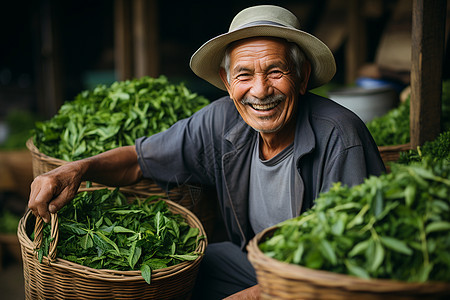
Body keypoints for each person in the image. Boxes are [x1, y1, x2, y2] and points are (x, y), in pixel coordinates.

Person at [28, 5, 385, 300]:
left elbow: (346, 259)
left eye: (276, 71)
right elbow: (138, 160)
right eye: (244, 75)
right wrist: (75, 170)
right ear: (228, 82)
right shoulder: (223, 119)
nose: (260, 91)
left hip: (319, 279)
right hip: (254, 262)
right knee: (183, 270)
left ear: (303, 77)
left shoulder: (340, 136)